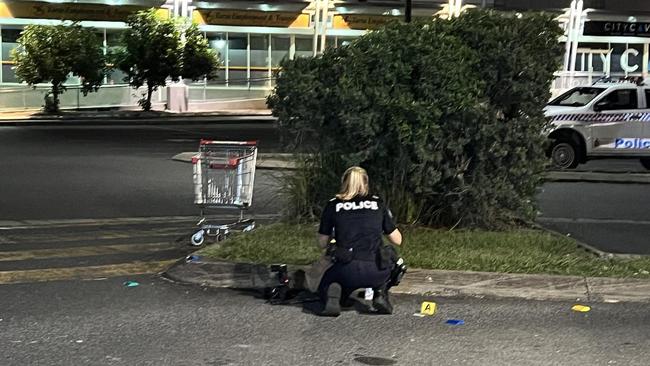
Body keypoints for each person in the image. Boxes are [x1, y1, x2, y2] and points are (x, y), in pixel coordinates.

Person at [316, 166, 402, 316]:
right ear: (366, 184)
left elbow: (321, 243)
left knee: (326, 282)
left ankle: (333, 293)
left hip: (346, 269)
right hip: (377, 270)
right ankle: (380, 292)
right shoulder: (378, 203)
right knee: (394, 260)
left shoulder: (333, 205)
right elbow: (397, 240)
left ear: (344, 183)